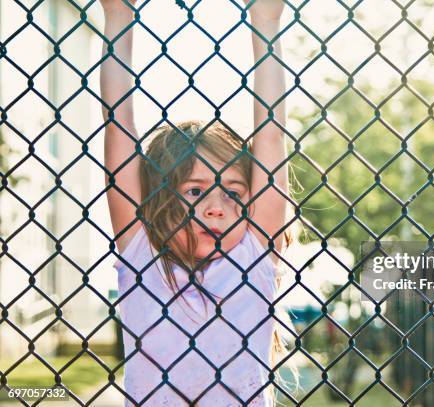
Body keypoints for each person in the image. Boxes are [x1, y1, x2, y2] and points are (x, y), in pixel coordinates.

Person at [100, 0, 294, 405]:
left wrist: (266, 21)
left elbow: (272, 132)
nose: (216, 207)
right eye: (193, 191)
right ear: (154, 200)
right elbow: (118, 122)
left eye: (234, 192)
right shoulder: (141, 256)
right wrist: (119, 15)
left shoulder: (252, 257)